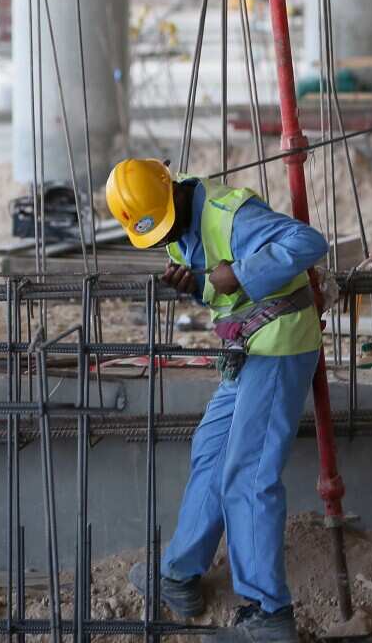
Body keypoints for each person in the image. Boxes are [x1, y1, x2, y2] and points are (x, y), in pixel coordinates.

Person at [105, 157, 327, 642]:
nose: (166, 240)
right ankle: (180, 575)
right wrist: (198, 284)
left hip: (279, 344)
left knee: (248, 473)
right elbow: (216, 287)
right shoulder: (179, 225)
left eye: (166, 227)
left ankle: (268, 614)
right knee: (211, 451)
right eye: (156, 236)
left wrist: (238, 274)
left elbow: (308, 243)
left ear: (176, 192)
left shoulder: (230, 213)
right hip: (246, 346)